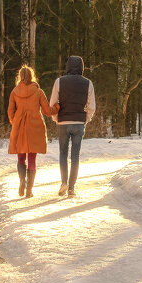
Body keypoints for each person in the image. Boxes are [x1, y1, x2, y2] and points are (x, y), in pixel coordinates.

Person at [49, 55, 95, 197]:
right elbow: (91, 106)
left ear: (68, 66)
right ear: (81, 67)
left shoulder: (59, 81)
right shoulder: (88, 83)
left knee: (63, 153)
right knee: (75, 156)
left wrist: (56, 118)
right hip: (79, 123)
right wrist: (85, 119)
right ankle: (71, 188)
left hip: (63, 123)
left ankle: (64, 182)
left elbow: (52, 104)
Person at [7, 65, 53, 198]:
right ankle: (29, 190)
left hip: (19, 127)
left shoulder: (14, 92)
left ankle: (22, 181)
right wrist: (57, 107)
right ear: (32, 76)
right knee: (32, 158)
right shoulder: (39, 92)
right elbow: (47, 111)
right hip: (35, 127)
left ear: (20, 77)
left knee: (21, 157)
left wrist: (15, 121)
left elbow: (10, 112)